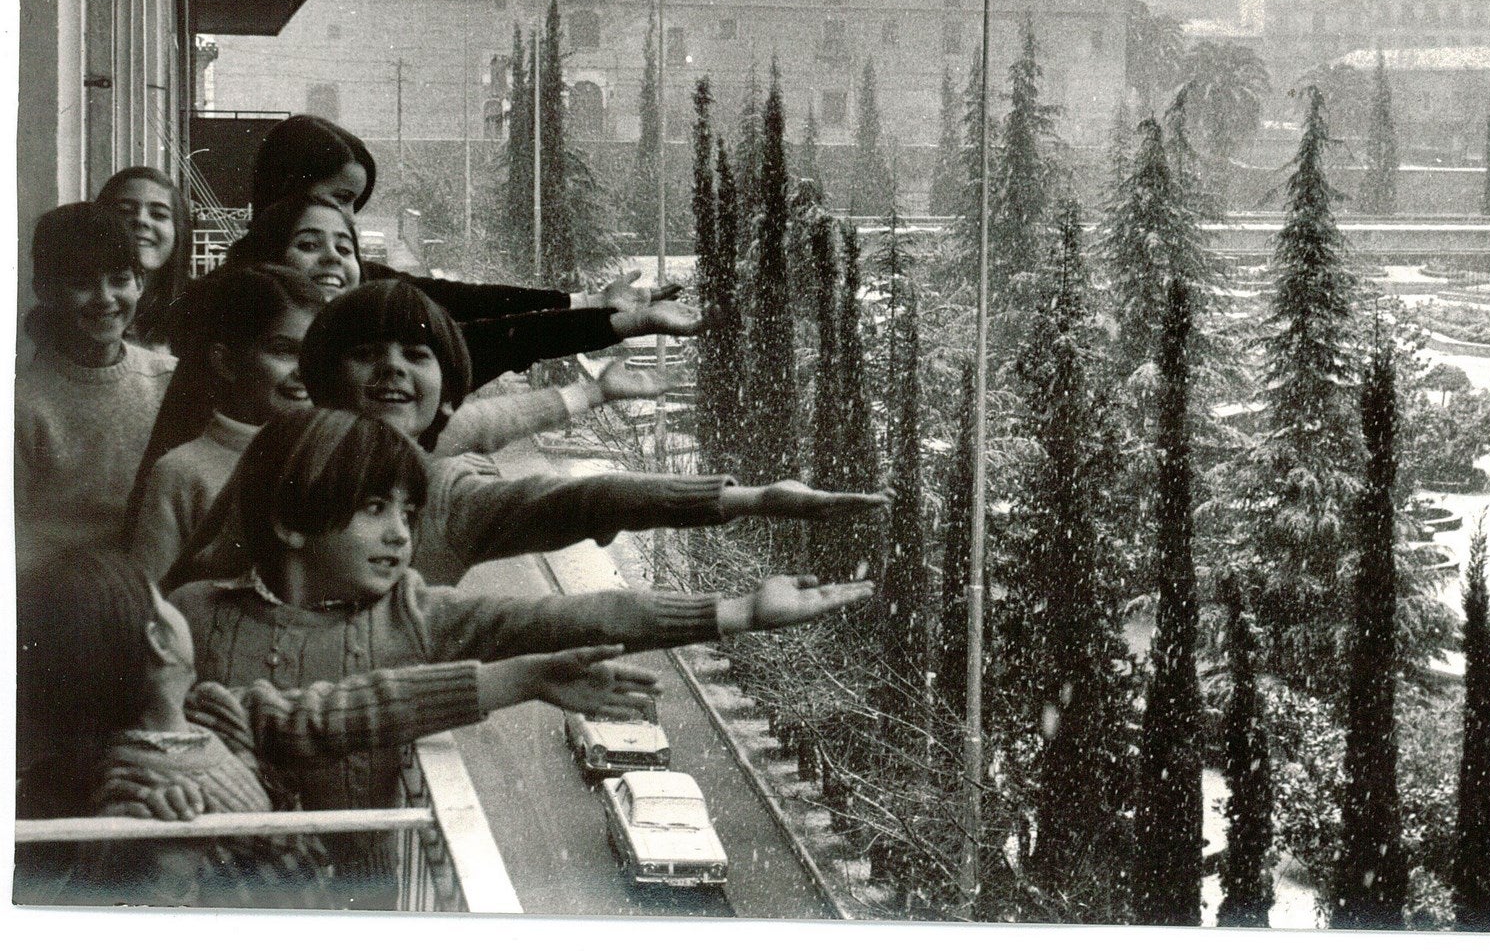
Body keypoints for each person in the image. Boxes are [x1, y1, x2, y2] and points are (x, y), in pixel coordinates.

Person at [169, 408, 874, 904]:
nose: (399, 536)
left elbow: (567, 617)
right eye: (374, 509)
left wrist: (739, 612)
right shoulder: (194, 615)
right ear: (291, 521)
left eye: (407, 516)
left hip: (352, 905)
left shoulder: (414, 614)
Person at [16, 548, 660, 910]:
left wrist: (524, 679)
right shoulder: (126, 791)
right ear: (159, 642)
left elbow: (355, 706)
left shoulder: (218, 715)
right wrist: (162, 870)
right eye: (163, 600)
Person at [168, 283, 889, 591]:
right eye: (366, 353)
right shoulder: (274, 461)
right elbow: (192, 590)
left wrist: (741, 498)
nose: (391, 368)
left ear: (445, 389)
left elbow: (578, 502)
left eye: (415, 354)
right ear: (323, 374)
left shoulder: (444, 490)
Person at [248, 114, 701, 381]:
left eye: (353, 205)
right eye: (339, 199)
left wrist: (593, 306)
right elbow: (482, 342)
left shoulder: (359, 285)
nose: (347, 221)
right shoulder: (241, 303)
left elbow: (471, 309)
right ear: (285, 191)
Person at [226, 192, 686, 393]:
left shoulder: (380, 334)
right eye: (308, 245)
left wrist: (607, 313)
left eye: (344, 245)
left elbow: (497, 329)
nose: (331, 257)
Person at [126, 265, 327, 581]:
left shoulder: (331, 457)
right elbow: (153, 598)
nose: (305, 370)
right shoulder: (181, 472)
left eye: (315, 353)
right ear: (226, 362)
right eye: (283, 350)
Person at [15, 203, 177, 561]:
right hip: (62, 596)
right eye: (82, 284)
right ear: (44, 290)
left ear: (140, 283)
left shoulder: (171, 381)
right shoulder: (20, 404)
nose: (105, 299)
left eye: (119, 280)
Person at [95, 165, 192, 351]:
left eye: (158, 214)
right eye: (124, 211)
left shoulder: (203, 310)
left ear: (178, 232)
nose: (141, 220)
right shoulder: (79, 309)